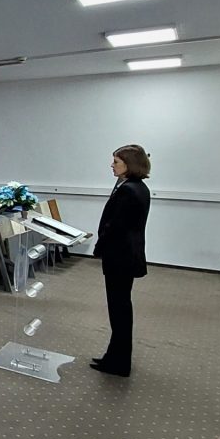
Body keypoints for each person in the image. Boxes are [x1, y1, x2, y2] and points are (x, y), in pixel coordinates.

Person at [91, 144, 152, 378]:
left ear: (130, 164)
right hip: (126, 255)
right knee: (120, 308)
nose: (112, 165)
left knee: (119, 309)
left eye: (116, 162)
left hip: (120, 256)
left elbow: (116, 226)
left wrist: (100, 246)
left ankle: (119, 362)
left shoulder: (129, 190)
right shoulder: (136, 187)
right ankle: (114, 356)